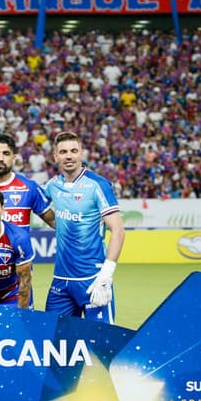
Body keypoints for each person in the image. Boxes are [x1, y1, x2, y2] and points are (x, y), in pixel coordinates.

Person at [42, 131, 125, 325]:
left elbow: (118, 231)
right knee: (52, 340)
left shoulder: (98, 185)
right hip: (60, 280)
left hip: (93, 279)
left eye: (73, 150)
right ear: (55, 156)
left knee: (101, 346)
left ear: (81, 154)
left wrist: (106, 274)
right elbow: (35, 203)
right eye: (63, 152)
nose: (69, 156)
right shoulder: (53, 185)